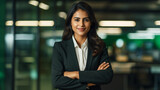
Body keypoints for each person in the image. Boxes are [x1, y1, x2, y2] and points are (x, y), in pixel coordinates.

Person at [52, 1, 113, 90]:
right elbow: (56, 81)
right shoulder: (60, 48)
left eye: (86, 20)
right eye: (77, 19)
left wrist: (76, 74)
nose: (81, 24)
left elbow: (107, 76)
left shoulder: (99, 46)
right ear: (70, 22)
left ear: (91, 22)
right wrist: (89, 82)